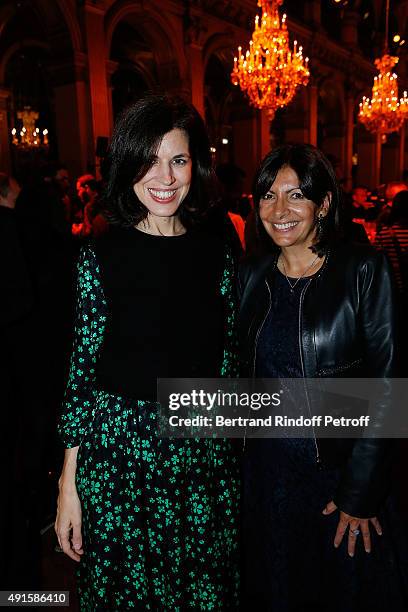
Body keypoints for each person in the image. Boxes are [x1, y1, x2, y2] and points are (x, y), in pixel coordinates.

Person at [55, 94, 239, 610]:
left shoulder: (218, 250)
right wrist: (68, 486)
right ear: (128, 166)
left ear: (195, 165)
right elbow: (82, 374)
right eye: (149, 160)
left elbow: (226, 365)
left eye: (178, 159)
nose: (165, 177)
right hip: (118, 459)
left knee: (201, 593)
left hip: (200, 458)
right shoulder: (100, 256)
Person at [237, 144, 407, 611]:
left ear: (324, 204)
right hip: (266, 478)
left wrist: (361, 490)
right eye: (268, 196)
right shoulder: (250, 274)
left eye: (296, 195)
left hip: (334, 476)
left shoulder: (362, 269)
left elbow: (388, 385)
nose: (280, 210)